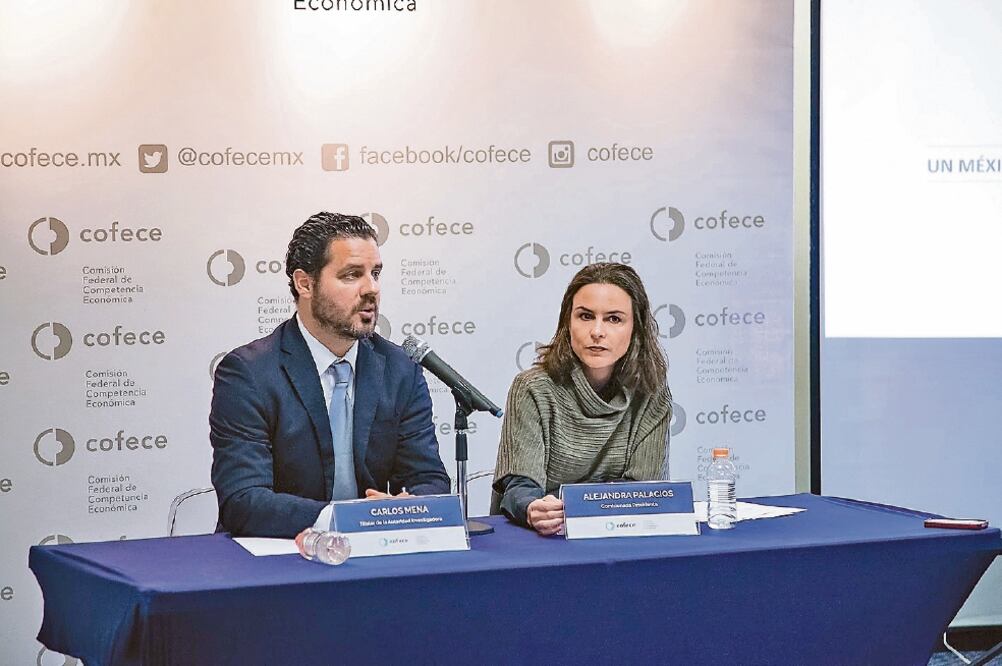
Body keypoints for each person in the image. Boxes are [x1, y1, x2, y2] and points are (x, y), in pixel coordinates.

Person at [210, 212, 450, 538]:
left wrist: (406, 507)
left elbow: (428, 478)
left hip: (372, 552)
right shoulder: (249, 373)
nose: (371, 289)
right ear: (305, 283)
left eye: (375, 273)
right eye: (352, 275)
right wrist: (350, 518)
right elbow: (243, 500)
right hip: (278, 552)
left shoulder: (400, 369)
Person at [492, 262, 672, 536]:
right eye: (586, 316)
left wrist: (581, 506)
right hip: (545, 538)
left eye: (614, 319)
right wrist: (533, 508)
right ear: (568, 323)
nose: (597, 331)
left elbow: (643, 491)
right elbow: (520, 488)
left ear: (636, 328)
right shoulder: (533, 388)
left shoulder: (651, 390)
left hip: (621, 533)